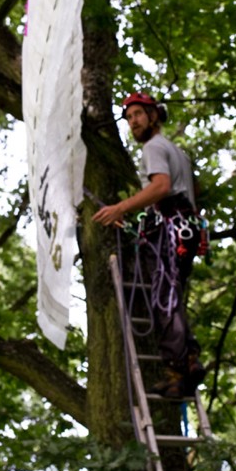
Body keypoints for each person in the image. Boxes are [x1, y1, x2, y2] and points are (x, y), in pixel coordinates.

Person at [92, 91, 206, 398]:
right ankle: (186, 367)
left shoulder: (154, 147)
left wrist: (120, 208)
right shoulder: (178, 152)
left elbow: (162, 188)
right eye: (129, 118)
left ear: (154, 116)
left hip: (172, 229)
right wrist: (133, 221)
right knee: (171, 297)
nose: (133, 122)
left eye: (139, 115)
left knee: (163, 299)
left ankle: (181, 365)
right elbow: (186, 193)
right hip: (183, 228)